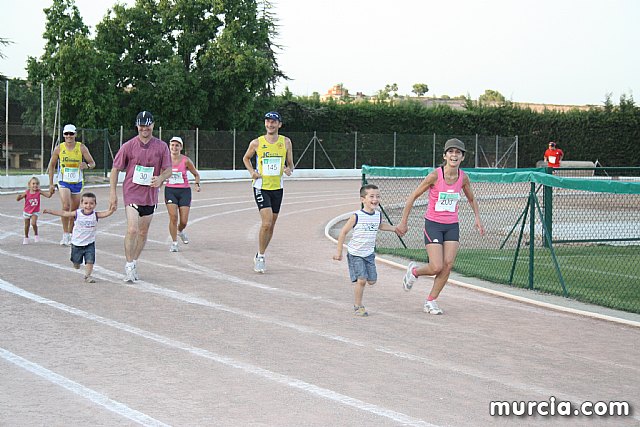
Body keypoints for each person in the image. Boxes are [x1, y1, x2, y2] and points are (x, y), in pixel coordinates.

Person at [396, 138, 485, 315]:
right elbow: (413, 196)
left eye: (458, 153)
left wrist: (477, 218)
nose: (454, 155)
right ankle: (414, 272)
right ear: (445, 155)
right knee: (436, 266)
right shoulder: (435, 176)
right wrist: (403, 222)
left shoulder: (463, 178)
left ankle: (431, 301)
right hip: (433, 224)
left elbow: (471, 198)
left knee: (448, 265)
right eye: (450, 152)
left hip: (452, 225)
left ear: (462, 157)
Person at [109, 111, 172, 282]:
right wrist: (113, 194)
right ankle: (129, 265)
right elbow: (115, 169)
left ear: (153, 125)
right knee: (132, 229)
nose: (145, 128)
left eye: (148, 125)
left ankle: (134, 261)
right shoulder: (128, 146)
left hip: (150, 195)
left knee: (143, 232)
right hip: (131, 193)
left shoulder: (161, 147)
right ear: (137, 126)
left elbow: (168, 170)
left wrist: (160, 178)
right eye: (141, 125)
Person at [333, 184, 398, 317]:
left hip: (369, 254)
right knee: (361, 280)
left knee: (372, 281)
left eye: (378, 196)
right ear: (363, 199)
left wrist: (395, 229)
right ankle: (358, 306)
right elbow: (343, 232)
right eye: (371, 196)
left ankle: (358, 280)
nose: (375, 199)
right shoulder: (356, 216)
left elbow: (380, 226)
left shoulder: (377, 215)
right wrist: (339, 251)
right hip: (355, 253)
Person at [242, 111, 294, 273]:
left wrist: (288, 169)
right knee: (266, 222)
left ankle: (260, 252)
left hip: (277, 187)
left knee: (271, 225)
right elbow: (246, 158)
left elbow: (291, 164)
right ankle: (261, 257)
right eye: (267, 122)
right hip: (261, 186)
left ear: (279, 124)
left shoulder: (285, 142)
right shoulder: (257, 143)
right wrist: (252, 171)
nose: (270, 125)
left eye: (273, 122)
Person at [43, 192, 116, 283]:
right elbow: (64, 213)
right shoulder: (77, 213)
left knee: (90, 260)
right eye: (85, 203)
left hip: (90, 243)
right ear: (81, 204)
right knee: (76, 262)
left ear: (95, 205)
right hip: (77, 243)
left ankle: (87, 276)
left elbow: (106, 213)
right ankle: (76, 263)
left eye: (91, 203)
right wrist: (51, 211)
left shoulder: (95, 215)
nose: (88, 206)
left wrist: (111, 210)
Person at [47, 124, 97, 246]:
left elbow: (92, 163)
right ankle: (65, 234)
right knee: (65, 206)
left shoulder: (81, 148)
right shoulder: (59, 148)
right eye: (66, 134)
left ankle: (70, 234)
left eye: (71, 134)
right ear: (63, 135)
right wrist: (51, 183)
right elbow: (51, 166)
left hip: (77, 182)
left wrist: (87, 165)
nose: (69, 136)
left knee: (74, 210)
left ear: (75, 134)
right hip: (63, 181)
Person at [164, 136, 201, 252]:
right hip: (170, 190)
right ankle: (174, 243)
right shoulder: (164, 160)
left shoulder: (186, 160)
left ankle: (180, 231)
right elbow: (159, 173)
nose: (174, 147)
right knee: (173, 217)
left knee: (184, 221)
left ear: (181, 147)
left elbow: (196, 174)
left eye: (177, 145)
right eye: (172, 145)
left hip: (184, 191)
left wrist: (197, 184)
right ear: (169, 146)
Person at [16, 176, 54, 244]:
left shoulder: (39, 192)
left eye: (37, 184)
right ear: (29, 185)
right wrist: (18, 197)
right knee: (26, 225)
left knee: (33, 223)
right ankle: (26, 237)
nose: (35, 185)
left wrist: (51, 192)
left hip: (35, 211)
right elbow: (19, 198)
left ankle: (36, 234)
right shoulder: (27, 192)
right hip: (27, 211)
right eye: (33, 183)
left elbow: (48, 196)